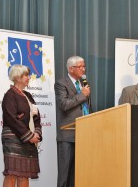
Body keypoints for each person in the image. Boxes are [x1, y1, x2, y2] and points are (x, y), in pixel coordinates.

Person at [1, 64, 42, 187]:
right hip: (14, 140)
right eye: (26, 75)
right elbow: (11, 119)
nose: (29, 77)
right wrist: (29, 136)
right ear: (17, 77)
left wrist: (37, 133)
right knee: (12, 174)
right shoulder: (10, 95)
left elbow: (36, 117)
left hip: (27, 142)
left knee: (25, 174)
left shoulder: (29, 96)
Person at [54, 56, 91, 187]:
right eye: (80, 67)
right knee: (64, 175)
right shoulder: (61, 84)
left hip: (83, 134)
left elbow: (86, 107)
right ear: (71, 69)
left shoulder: (83, 84)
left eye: (84, 66)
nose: (83, 69)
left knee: (77, 175)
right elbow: (64, 104)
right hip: (67, 135)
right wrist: (82, 95)